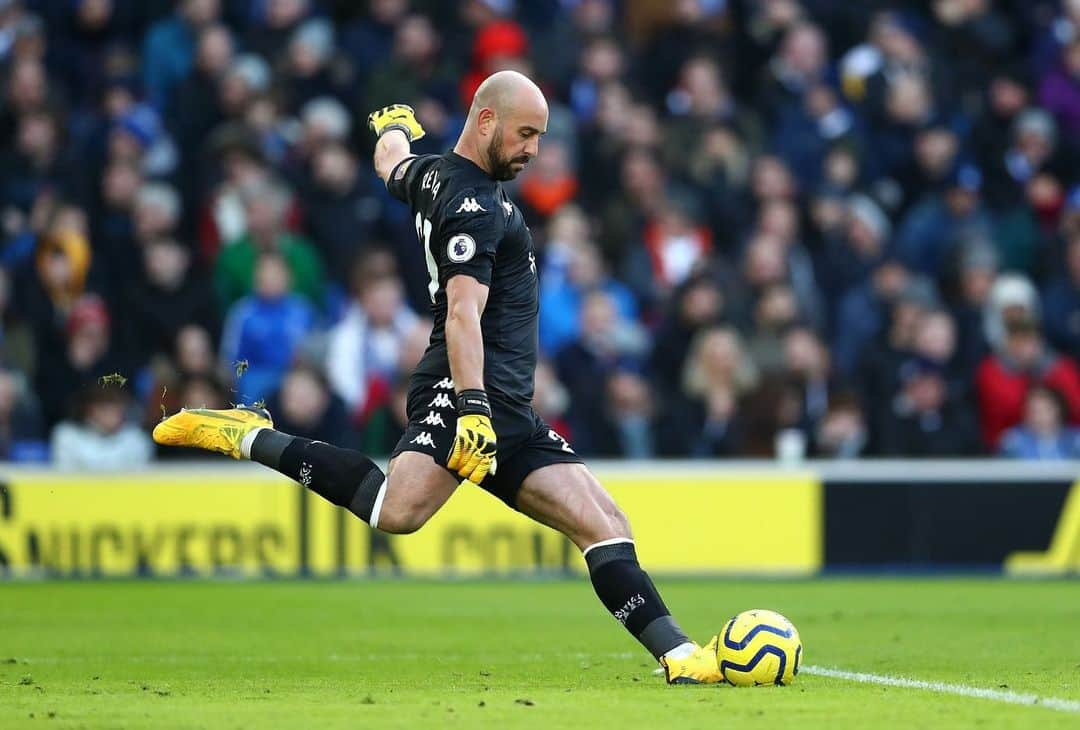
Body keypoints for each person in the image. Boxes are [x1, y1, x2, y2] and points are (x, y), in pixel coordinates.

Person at [153, 71, 720, 684]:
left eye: (541, 137)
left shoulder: (431, 176)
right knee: (414, 512)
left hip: (503, 401)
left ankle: (681, 657)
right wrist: (472, 407)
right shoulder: (475, 206)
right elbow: (462, 310)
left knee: (585, 523)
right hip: (470, 392)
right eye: (525, 134)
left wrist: (392, 126)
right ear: (485, 121)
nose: (534, 150)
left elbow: (391, 161)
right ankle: (247, 436)